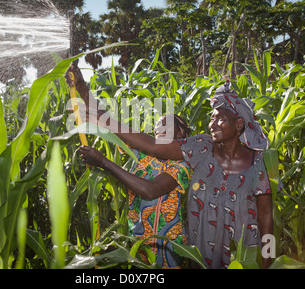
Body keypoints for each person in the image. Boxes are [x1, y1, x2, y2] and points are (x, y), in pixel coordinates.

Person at [67, 65, 274, 268]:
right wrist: (84, 91)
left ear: (238, 124)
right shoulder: (201, 148)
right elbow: (135, 136)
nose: (212, 123)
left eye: (220, 118)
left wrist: (269, 262)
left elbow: (266, 218)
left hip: (243, 257)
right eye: (211, 117)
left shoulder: (255, 163)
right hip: (200, 258)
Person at [79, 113, 193, 268]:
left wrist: (103, 162)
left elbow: (150, 190)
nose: (159, 128)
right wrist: (93, 117)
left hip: (167, 243)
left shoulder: (183, 164)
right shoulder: (143, 152)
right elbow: (116, 130)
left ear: (179, 133)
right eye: (157, 125)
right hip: (137, 239)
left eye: (165, 124)